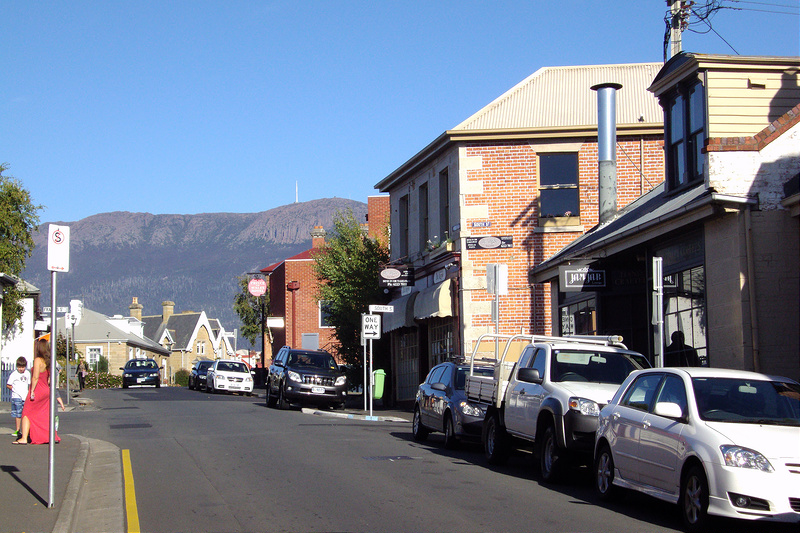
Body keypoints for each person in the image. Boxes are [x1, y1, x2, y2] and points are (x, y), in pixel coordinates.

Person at [14, 336, 64, 445]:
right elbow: (51, 378)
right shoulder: (49, 361)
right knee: (42, 415)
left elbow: (35, 377)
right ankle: (49, 436)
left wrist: (32, 390)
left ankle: (23, 438)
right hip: (46, 390)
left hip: (38, 389)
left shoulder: (38, 360)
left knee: (26, 412)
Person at [6, 357, 30, 438]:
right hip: (16, 397)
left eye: (22, 367)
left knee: (25, 414)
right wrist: (15, 389)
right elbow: (8, 385)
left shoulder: (27, 373)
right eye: (19, 367)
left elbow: (29, 384)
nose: (21, 369)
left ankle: (25, 430)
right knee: (18, 414)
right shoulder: (14, 374)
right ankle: (18, 430)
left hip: (25, 396)